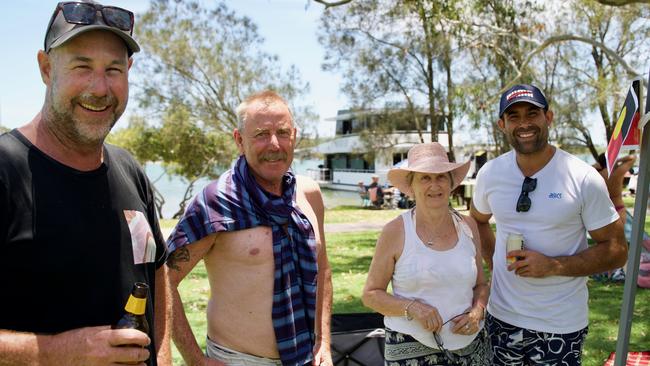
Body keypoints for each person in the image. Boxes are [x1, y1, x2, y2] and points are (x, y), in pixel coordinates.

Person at [0, 1, 170, 365]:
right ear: (46, 68)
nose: (100, 87)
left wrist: (165, 352)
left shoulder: (129, 169)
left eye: (113, 69)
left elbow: (157, 273)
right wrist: (58, 352)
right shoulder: (5, 170)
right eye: (82, 67)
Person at [166, 91, 333, 366]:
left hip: (307, 356)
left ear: (295, 135)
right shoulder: (215, 203)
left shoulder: (309, 194)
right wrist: (195, 359)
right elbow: (163, 280)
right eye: (261, 134)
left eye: (283, 132)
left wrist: (323, 341)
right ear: (239, 140)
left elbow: (323, 267)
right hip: (238, 360)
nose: (274, 144)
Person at [470, 84, 627, 365]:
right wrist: (494, 262)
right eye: (514, 116)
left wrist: (553, 265)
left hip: (560, 324)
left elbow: (617, 250)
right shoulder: (490, 174)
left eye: (533, 113)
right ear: (502, 124)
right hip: (501, 319)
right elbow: (478, 221)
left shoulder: (582, 178)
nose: (524, 123)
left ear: (549, 118)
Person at [363, 142, 491, 365]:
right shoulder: (395, 231)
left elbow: (481, 285)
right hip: (409, 348)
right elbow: (371, 294)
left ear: (451, 183)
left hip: (470, 348)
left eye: (441, 176)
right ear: (411, 187)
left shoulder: (468, 226)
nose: (435, 185)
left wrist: (477, 311)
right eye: (425, 178)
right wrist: (412, 308)